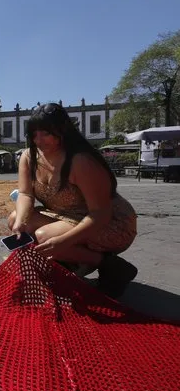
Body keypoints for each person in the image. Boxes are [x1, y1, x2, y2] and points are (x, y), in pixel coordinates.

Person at [7, 103, 138, 298]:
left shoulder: (80, 161)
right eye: (34, 134)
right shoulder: (29, 156)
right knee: (15, 219)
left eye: (46, 133)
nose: (39, 140)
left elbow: (100, 213)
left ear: (62, 130)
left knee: (45, 236)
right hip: (64, 215)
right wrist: (20, 223)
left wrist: (63, 242)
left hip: (110, 222)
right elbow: (25, 194)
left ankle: (111, 266)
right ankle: (65, 264)